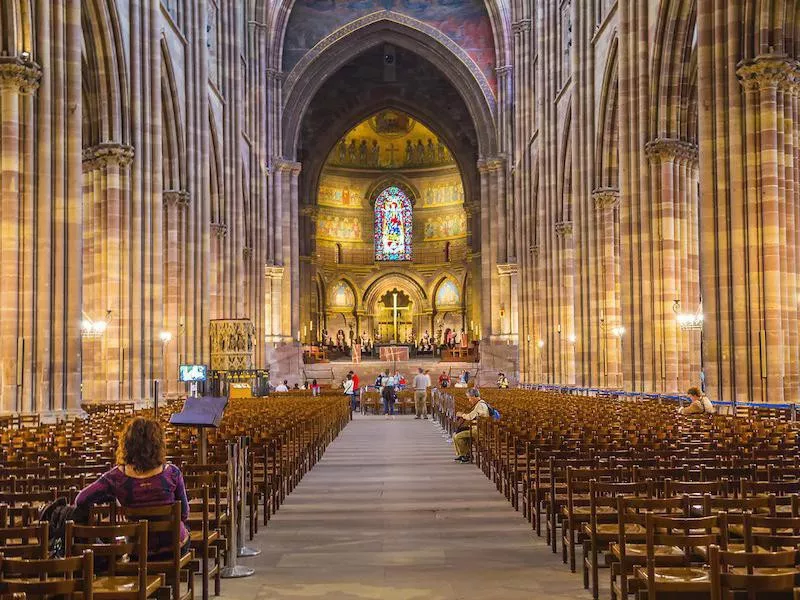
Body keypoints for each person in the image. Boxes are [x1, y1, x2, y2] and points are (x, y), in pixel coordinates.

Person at [75, 417, 190, 557]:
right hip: (173, 547)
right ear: (158, 445)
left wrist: (110, 496)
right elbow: (184, 513)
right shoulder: (172, 473)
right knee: (184, 529)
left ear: (127, 444)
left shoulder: (116, 477)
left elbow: (81, 499)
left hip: (137, 549)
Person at [452, 389, 490, 463]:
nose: (469, 400)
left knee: (458, 436)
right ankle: (463, 454)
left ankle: (466, 455)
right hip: (475, 427)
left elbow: (470, 416)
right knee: (455, 434)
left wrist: (461, 415)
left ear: (474, 397)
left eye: (469, 398)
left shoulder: (480, 405)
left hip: (479, 430)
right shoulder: (479, 404)